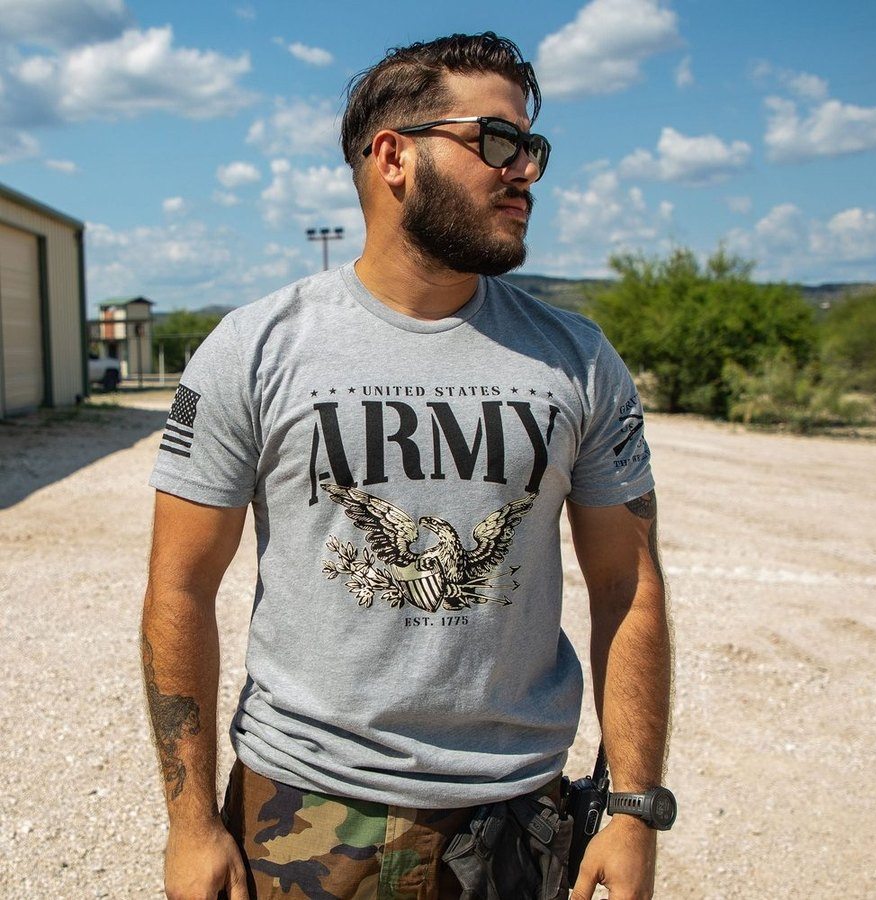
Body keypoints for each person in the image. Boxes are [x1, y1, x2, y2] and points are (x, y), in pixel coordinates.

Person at [141, 31, 672, 900]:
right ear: (393, 156)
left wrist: (632, 808)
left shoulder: (576, 360)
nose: (525, 171)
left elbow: (630, 585)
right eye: (496, 141)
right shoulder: (254, 350)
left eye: (531, 147)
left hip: (513, 824)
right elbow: (180, 587)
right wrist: (190, 821)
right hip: (302, 815)